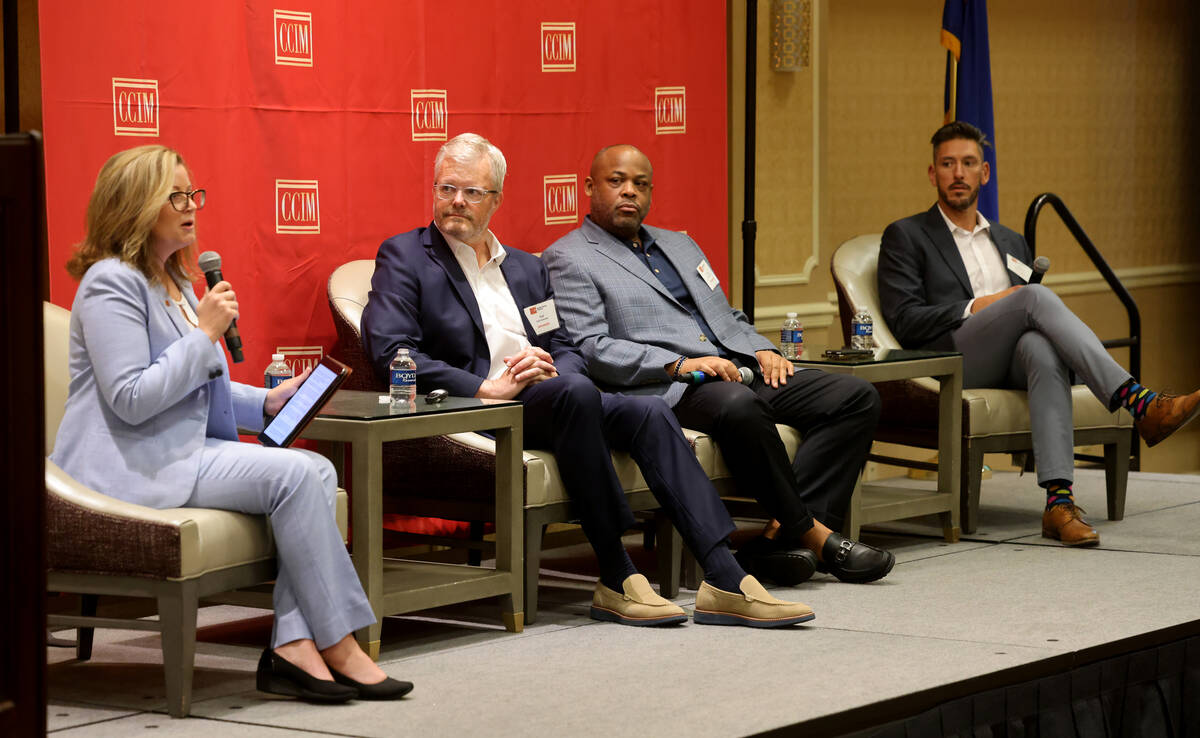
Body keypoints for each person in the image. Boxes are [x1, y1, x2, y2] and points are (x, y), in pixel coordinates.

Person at [361, 133, 813, 628]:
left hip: (551, 397)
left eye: (472, 192)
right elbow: (392, 351)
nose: (457, 202)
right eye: (447, 188)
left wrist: (553, 370)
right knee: (577, 392)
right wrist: (485, 387)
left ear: (496, 200)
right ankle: (617, 574)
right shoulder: (405, 256)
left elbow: (567, 349)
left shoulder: (528, 269)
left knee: (648, 410)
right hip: (477, 408)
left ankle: (725, 576)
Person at [49, 145, 411, 703]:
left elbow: (200, 385)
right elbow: (131, 398)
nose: (191, 205)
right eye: (175, 195)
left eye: (194, 193)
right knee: (300, 473)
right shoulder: (110, 282)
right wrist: (204, 335)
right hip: (129, 465)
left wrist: (266, 402)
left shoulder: (175, 279)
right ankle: (336, 641)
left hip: (180, 450)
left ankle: (295, 644)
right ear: (135, 206)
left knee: (312, 471)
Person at [543, 144, 895, 586]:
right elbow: (591, 347)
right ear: (590, 187)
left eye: (640, 184)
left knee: (855, 396)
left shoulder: (679, 244)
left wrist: (761, 350)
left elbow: (727, 317)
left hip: (737, 366)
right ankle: (815, 535)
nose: (629, 192)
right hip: (670, 384)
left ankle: (781, 539)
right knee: (738, 405)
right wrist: (680, 363)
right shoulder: (569, 256)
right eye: (616, 182)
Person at [877, 121, 1200, 546]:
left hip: (1008, 357)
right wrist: (980, 305)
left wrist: (1013, 304)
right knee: (1031, 298)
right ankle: (1141, 403)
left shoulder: (1010, 240)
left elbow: (1028, 317)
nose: (958, 173)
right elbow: (905, 320)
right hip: (953, 357)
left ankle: (1058, 504)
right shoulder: (907, 235)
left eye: (968, 163)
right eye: (947, 163)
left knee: (1040, 348)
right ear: (932, 173)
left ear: (985, 173)